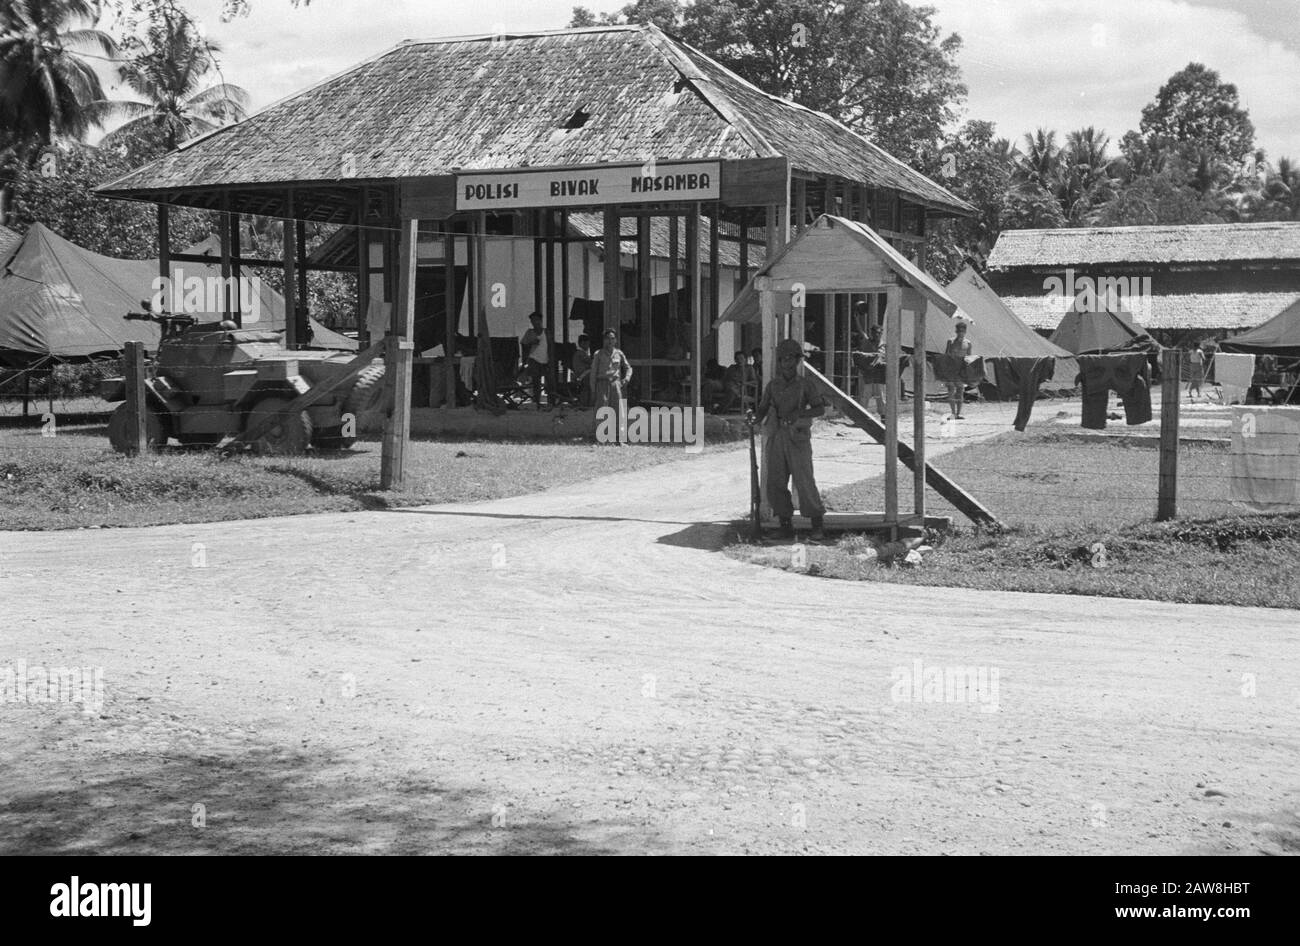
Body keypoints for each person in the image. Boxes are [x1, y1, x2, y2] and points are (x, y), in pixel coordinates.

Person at [748, 338, 827, 541]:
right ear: (779, 361)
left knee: (804, 481)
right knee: (775, 481)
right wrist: (754, 419)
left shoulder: (806, 385)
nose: (787, 363)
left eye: (792, 359)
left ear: (798, 361)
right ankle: (785, 525)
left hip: (798, 437)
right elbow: (763, 407)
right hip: (777, 436)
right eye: (783, 359)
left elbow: (819, 409)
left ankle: (817, 524)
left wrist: (800, 414)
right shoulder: (773, 385)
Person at [592, 329, 632, 439]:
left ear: (616, 340)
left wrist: (627, 378)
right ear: (604, 340)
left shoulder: (619, 354)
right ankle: (601, 438)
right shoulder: (598, 354)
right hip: (602, 384)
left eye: (612, 338)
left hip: (616, 384)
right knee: (602, 410)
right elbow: (593, 372)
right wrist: (593, 389)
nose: (610, 341)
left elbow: (628, 368)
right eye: (607, 338)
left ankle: (620, 438)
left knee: (619, 410)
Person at [520, 311, 550, 410]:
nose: (534, 322)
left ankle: (550, 400)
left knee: (549, 381)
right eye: (532, 321)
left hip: (545, 359)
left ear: (541, 321)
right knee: (536, 381)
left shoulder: (546, 332)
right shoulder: (529, 332)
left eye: (536, 320)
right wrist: (531, 343)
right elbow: (523, 345)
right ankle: (536, 401)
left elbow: (551, 345)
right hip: (534, 359)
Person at [944, 320, 972, 420]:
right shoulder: (951, 342)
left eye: (962, 331)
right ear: (956, 331)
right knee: (951, 391)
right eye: (958, 331)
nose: (960, 333)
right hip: (952, 369)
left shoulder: (968, 343)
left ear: (965, 332)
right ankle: (952, 413)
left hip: (961, 370)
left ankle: (958, 413)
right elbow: (946, 355)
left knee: (960, 391)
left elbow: (969, 357)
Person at [571, 334, 593, 407]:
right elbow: (590, 362)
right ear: (581, 343)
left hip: (582, 374)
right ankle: (586, 403)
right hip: (582, 375)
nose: (588, 346)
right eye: (586, 344)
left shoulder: (579, 353)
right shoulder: (580, 353)